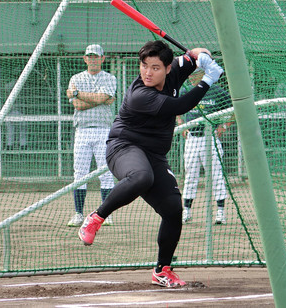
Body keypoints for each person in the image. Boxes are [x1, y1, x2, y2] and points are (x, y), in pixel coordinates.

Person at [77, 40, 224, 287]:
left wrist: (204, 57)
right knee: (141, 177)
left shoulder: (176, 68)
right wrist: (207, 79)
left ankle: (162, 270)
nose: (147, 72)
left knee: (173, 210)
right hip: (123, 147)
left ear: (168, 68)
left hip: (155, 155)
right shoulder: (140, 95)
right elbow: (182, 105)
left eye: (155, 67)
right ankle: (96, 217)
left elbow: (197, 53)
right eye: (144, 66)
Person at [66, 44, 116, 227]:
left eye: (96, 56)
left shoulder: (109, 78)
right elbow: (78, 105)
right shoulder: (76, 78)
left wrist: (79, 94)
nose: (93, 59)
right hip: (82, 130)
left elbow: (102, 98)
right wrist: (100, 98)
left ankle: (106, 214)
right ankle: (78, 213)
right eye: (90, 56)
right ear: (85, 58)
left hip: (103, 129)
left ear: (103, 58)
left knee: (106, 171)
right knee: (80, 173)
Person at [176, 68, 234, 225]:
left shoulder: (216, 91)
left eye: (194, 74)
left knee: (216, 176)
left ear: (203, 74)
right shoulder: (186, 89)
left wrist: (225, 126)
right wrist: (181, 124)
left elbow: (233, 109)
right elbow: (176, 108)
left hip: (211, 138)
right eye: (190, 74)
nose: (190, 77)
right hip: (193, 139)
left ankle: (220, 212)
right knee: (191, 176)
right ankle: (186, 211)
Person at [4, 68, 28, 151]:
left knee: (16, 129)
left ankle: (12, 145)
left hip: (17, 109)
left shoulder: (20, 85)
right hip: (12, 110)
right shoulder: (16, 84)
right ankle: (18, 145)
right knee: (18, 129)